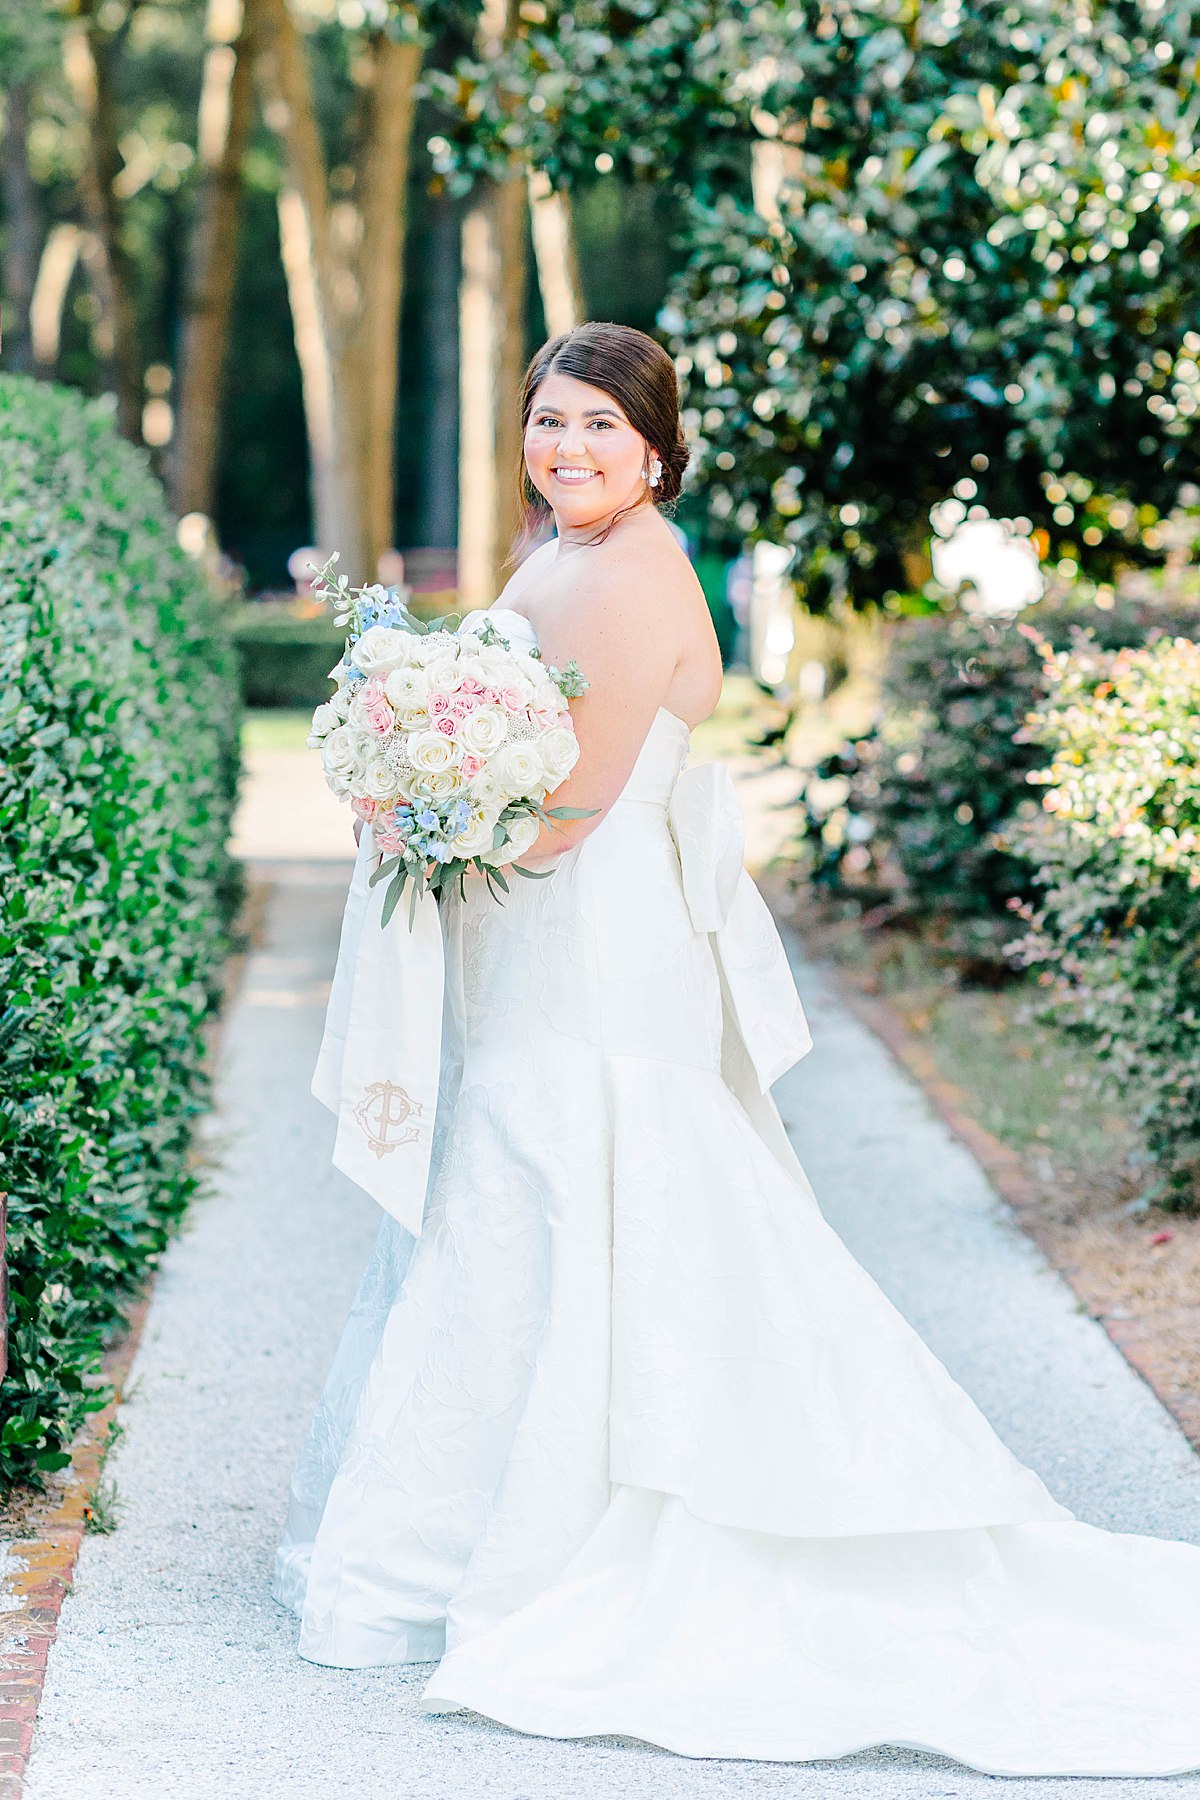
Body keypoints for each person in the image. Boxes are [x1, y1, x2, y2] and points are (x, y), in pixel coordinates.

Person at [273, 322, 1200, 1776]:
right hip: (537, 934)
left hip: (592, 937)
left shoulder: (637, 569)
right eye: (547, 421)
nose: (565, 447)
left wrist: (433, 808)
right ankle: (488, 1528)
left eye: (596, 427)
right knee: (522, 1186)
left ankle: (609, 1526)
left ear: (653, 448)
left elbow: (566, 805)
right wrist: (410, 774)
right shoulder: (557, 557)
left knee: (576, 1169)